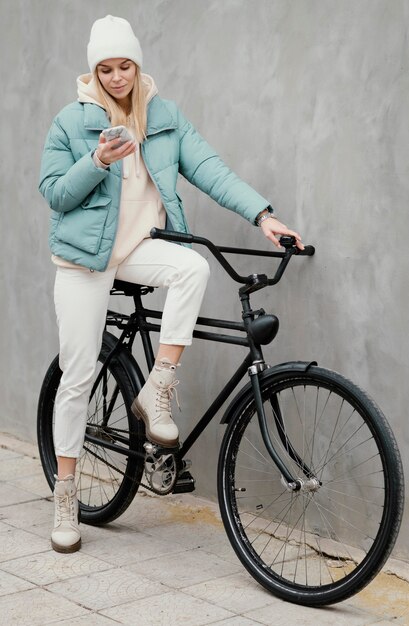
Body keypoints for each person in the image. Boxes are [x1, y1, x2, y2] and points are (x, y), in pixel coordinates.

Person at [39, 15, 303, 554]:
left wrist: (264, 216)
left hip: (137, 248)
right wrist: (96, 161)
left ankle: (155, 389)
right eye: (106, 69)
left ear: (139, 65)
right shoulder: (72, 121)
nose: (116, 77)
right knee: (79, 370)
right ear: (94, 71)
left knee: (193, 267)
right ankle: (67, 493)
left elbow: (210, 168)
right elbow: (55, 194)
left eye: (125, 66)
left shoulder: (163, 117)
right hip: (85, 261)